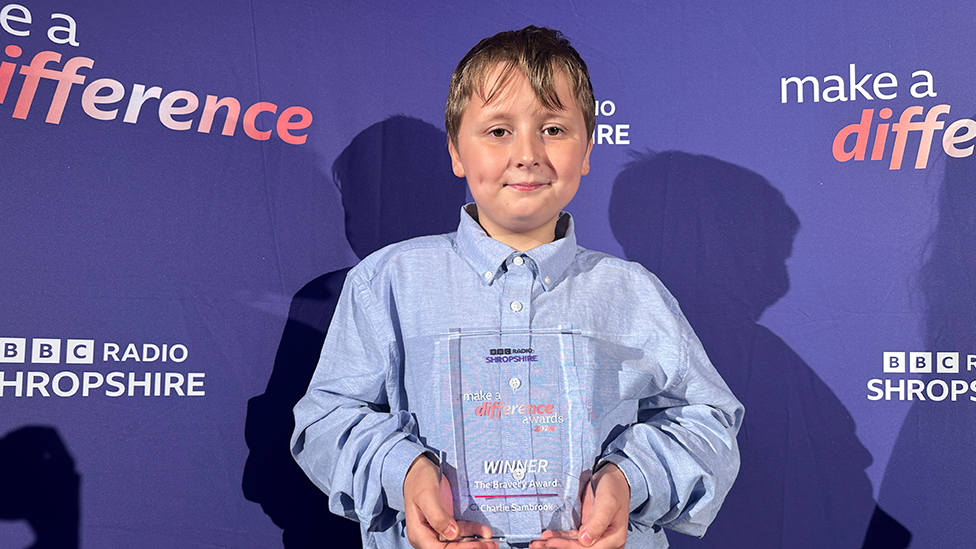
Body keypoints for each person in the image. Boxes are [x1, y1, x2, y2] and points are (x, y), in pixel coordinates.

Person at [291, 26, 743, 549]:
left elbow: (708, 426)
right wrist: (406, 472)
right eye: (498, 131)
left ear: (588, 150)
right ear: (458, 153)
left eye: (553, 129)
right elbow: (324, 422)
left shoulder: (634, 294)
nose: (527, 153)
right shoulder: (385, 283)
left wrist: (627, 481)